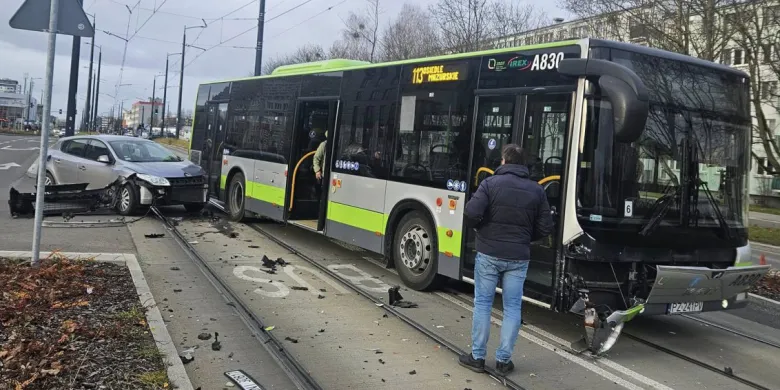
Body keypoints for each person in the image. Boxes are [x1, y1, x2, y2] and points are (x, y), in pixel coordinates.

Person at [459, 143, 553, 376]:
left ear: (503, 161)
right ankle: (503, 361)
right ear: (523, 164)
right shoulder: (536, 190)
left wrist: (482, 230)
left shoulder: (489, 184)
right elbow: (545, 227)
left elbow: (471, 213)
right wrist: (524, 238)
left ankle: (478, 357)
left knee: (483, 303)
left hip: (489, 253)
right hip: (518, 257)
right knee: (512, 307)